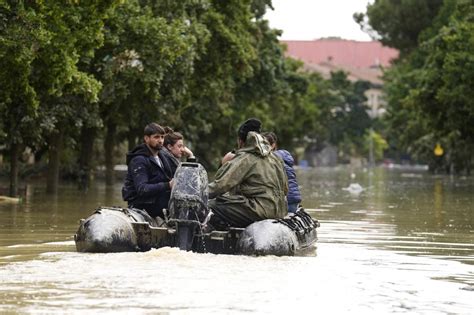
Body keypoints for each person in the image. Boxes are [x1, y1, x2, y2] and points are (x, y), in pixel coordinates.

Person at [208, 118, 288, 229]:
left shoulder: (245, 158)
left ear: (241, 141)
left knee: (211, 205)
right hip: (280, 211)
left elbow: (220, 186)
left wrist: (199, 193)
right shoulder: (275, 158)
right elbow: (285, 189)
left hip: (261, 211)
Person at [122, 123, 177, 219]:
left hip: (159, 202)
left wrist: (190, 156)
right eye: (156, 137)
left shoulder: (162, 157)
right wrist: (167, 185)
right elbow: (142, 189)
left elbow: (177, 170)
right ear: (146, 139)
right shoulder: (139, 160)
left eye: (162, 137)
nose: (160, 141)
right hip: (143, 205)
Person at [262, 132, 302, 213]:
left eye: (264, 144)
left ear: (273, 145)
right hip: (294, 202)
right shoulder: (284, 158)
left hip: (286, 203)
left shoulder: (271, 160)